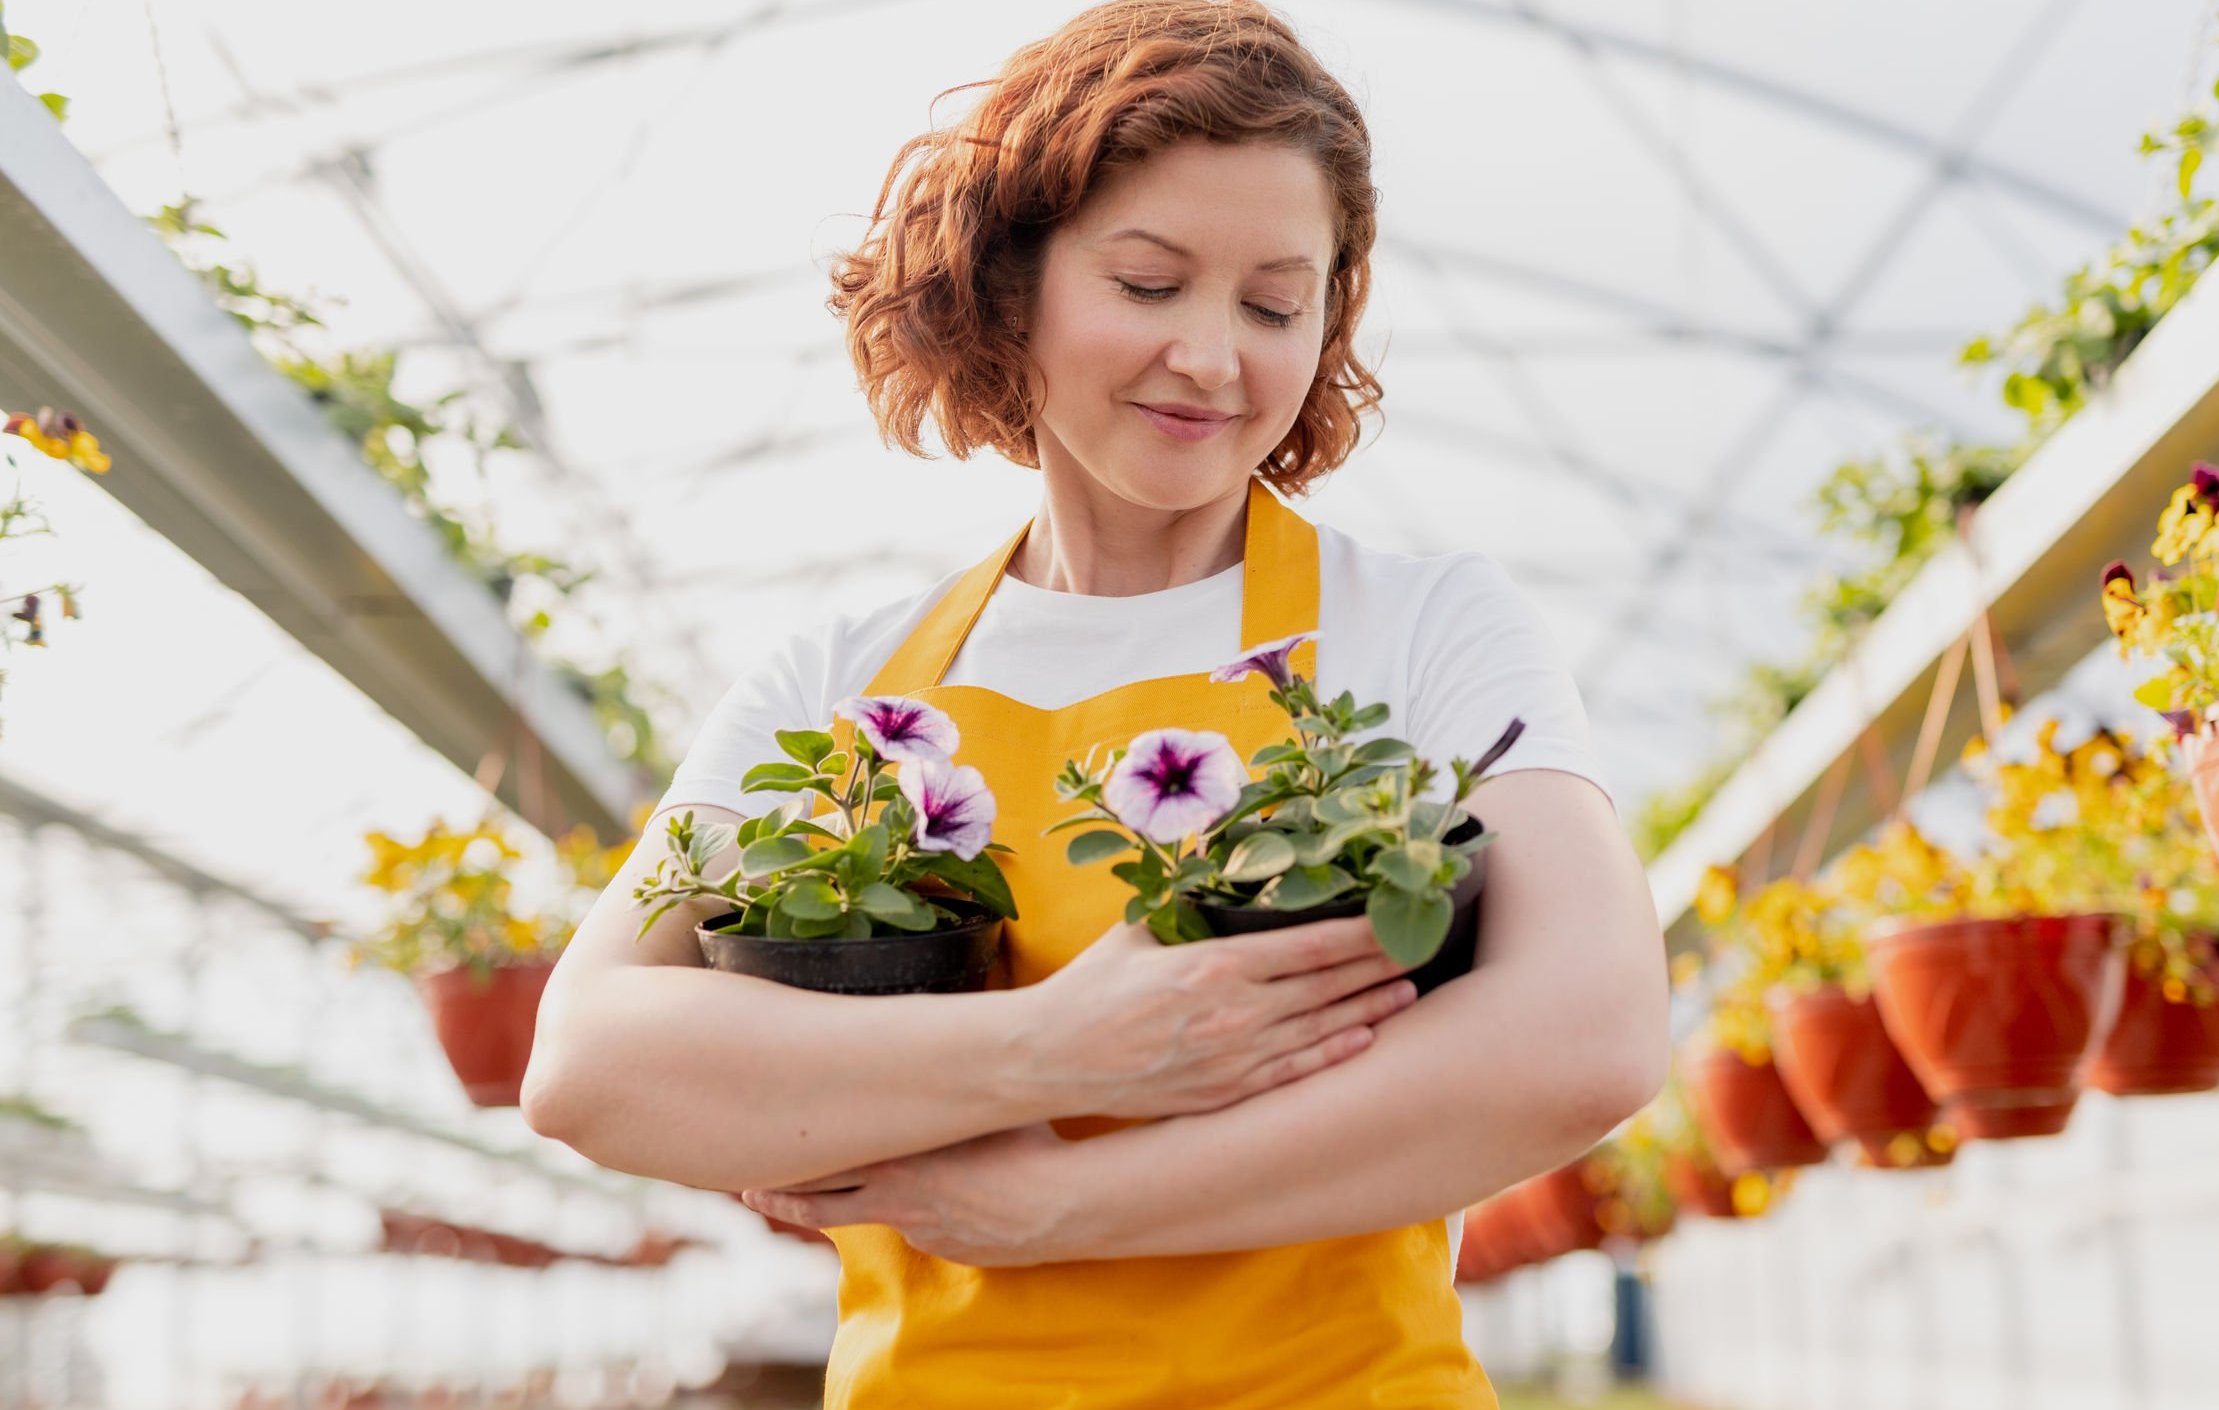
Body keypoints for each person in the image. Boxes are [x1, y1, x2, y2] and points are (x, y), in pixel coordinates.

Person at [522, 3, 1668, 1404]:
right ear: (1012, 288)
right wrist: (1054, 1046)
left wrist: (1070, 1204)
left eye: (1272, 303)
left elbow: (1589, 1028)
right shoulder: (841, 680)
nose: (1212, 358)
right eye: (1148, 282)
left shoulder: (1425, 628)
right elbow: (591, 1062)